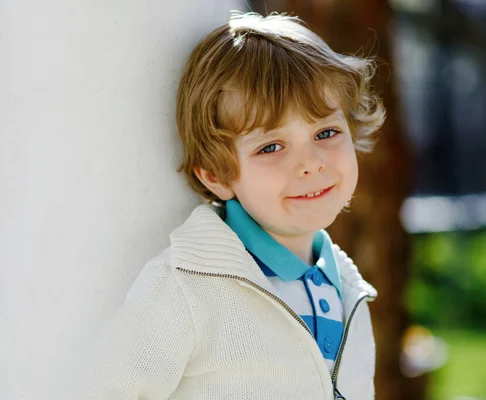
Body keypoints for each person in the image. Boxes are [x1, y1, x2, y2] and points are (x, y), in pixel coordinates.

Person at [74, 10, 386, 400]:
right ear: (217, 176)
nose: (310, 163)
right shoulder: (187, 287)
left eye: (325, 131)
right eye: (271, 146)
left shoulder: (345, 284)